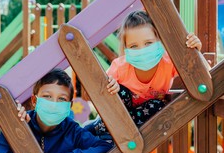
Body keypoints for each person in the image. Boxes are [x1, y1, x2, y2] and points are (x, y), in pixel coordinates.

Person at [84, 10, 203, 138]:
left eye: (148, 43)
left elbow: (201, 75)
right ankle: (97, 127)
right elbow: (99, 91)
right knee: (118, 91)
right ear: (126, 48)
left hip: (140, 120)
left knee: (159, 105)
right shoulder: (120, 67)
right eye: (134, 46)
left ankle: (104, 128)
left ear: (159, 40)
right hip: (117, 114)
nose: (142, 50)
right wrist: (111, 85)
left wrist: (195, 53)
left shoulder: (168, 62)